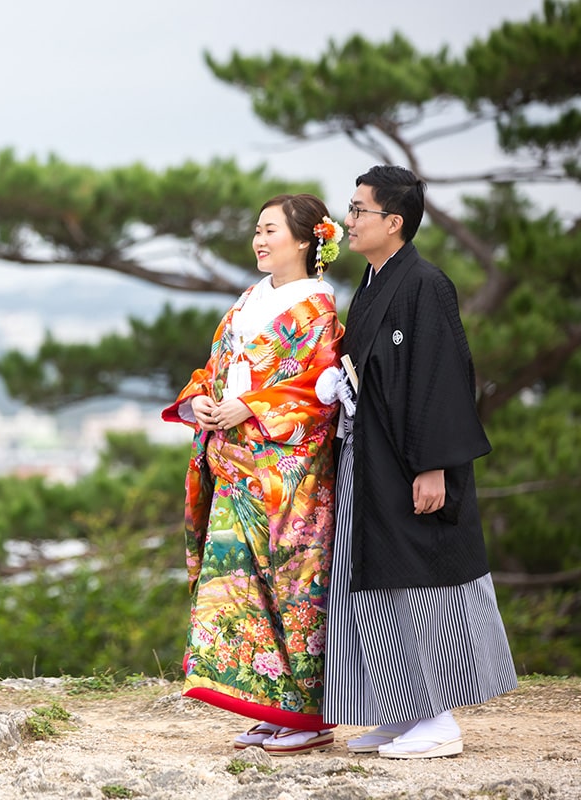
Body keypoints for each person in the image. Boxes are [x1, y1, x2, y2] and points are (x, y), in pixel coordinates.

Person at [321, 165, 518, 759]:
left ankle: (436, 718)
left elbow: (441, 378)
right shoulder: (376, 280)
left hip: (412, 461)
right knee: (372, 583)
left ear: (394, 222)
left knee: (418, 585)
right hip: (372, 452)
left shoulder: (425, 283)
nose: (348, 220)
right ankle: (397, 710)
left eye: (359, 211)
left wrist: (433, 466)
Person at [162, 193, 345, 756]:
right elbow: (217, 368)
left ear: (308, 238)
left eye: (271, 230)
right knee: (238, 582)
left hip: (287, 471)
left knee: (292, 580)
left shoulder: (319, 309)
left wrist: (252, 408)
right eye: (257, 231)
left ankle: (308, 715)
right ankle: (271, 703)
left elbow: (317, 391)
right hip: (235, 461)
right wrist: (206, 402)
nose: (260, 240)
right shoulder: (249, 299)